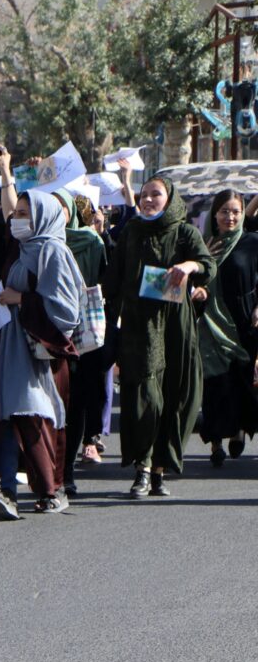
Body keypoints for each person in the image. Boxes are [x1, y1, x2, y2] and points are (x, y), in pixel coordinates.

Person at [103, 177, 214, 498]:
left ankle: (160, 471)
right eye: (144, 194)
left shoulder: (184, 232)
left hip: (176, 328)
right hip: (140, 329)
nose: (148, 199)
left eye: (156, 194)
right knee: (144, 396)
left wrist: (189, 266)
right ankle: (143, 467)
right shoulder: (131, 232)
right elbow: (113, 279)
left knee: (174, 396)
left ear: (169, 198)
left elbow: (208, 265)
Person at [0, 190, 84, 519]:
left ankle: (49, 490)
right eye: (17, 213)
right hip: (13, 345)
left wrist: (22, 301)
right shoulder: (22, 249)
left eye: (25, 213)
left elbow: (67, 311)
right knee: (12, 416)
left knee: (33, 415)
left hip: (40, 351)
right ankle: (8, 489)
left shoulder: (53, 251)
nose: (18, 219)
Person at [194, 189, 258, 465]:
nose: (230, 217)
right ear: (215, 214)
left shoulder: (252, 242)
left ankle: (239, 431)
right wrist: (202, 260)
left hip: (243, 322)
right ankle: (215, 442)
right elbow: (190, 279)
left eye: (236, 211)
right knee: (214, 384)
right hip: (208, 324)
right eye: (224, 211)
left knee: (239, 381)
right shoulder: (202, 243)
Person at [51, 189, 107, 496]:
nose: (59, 214)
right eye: (53, 208)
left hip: (82, 335)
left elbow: (105, 278)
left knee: (75, 405)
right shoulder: (41, 242)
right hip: (48, 331)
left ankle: (67, 468)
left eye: (63, 208)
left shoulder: (93, 241)